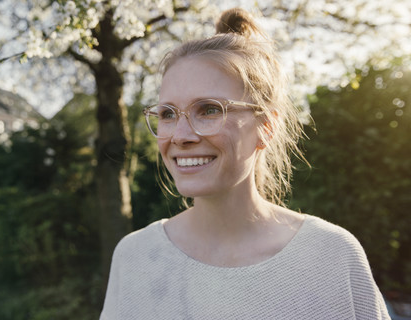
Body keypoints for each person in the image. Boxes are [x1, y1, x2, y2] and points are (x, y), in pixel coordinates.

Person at [100, 7, 390, 319]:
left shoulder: (331, 256)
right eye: (168, 113)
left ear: (267, 127)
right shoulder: (135, 258)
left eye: (209, 109)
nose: (180, 135)